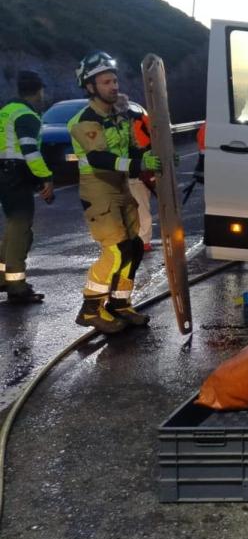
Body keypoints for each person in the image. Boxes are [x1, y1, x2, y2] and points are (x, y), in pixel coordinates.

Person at [68, 51, 160, 333]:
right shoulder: (84, 120)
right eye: (106, 82)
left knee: (133, 247)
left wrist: (154, 157)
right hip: (98, 189)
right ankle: (90, 309)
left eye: (115, 81)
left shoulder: (119, 115)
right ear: (90, 87)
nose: (114, 86)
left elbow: (131, 149)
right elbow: (99, 158)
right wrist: (137, 164)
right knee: (116, 250)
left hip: (120, 185)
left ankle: (119, 303)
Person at [0, 70, 54, 303]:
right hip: (15, 175)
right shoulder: (26, 115)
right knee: (20, 231)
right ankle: (16, 286)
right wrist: (46, 178)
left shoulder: (6, 111)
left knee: (14, 228)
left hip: (5, 174)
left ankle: (3, 277)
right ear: (39, 91)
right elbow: (29, 151)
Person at [117, 95, 156, 252]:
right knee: (141, 208)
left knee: (138, 208)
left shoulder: (120, 123)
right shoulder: (140, 119)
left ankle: (143, 241)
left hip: (134, 172)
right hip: (136, 171)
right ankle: (141, 240)